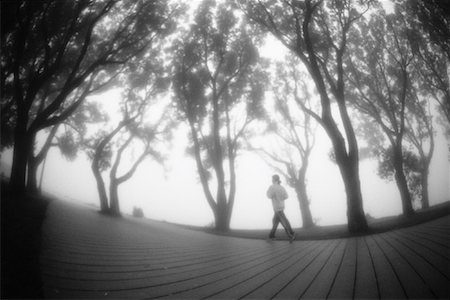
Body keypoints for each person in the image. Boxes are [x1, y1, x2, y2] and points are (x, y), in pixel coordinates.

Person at [266, 174, 296, 242]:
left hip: (276, 207)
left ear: (274, 179)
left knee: (284, 221)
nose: (271, 180)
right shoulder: (281, 187)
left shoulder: (272, 187)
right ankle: (271, 236)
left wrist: (268, 193)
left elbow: (269, 196)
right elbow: (286, 196)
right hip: (281, 206)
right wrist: (280, 198)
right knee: (275, 221)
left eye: (272, 179)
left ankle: (291, 235)